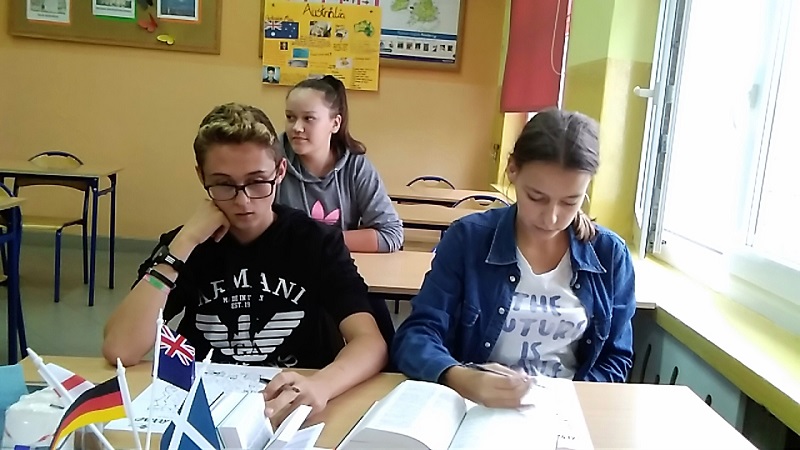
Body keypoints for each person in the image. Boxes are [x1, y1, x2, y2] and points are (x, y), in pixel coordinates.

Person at [102, 103, 387, 419]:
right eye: (224, 184)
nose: (243, 200)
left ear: (280, 172)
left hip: (290, 404)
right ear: (201, 177)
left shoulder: (316, 242)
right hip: (205, 404)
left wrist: (322, 384)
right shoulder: (185, 246)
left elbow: (369, 342)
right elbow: (120, 348)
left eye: (257, 181)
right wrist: (183, 243)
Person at [391, 109, 636, 408]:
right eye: (536, 197)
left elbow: (616, 357)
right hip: (475, 406)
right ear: (512, 169)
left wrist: (570, 404)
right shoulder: (468, 239)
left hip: (564, 412)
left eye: (570, 201)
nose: (551, 217)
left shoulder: (610, 254)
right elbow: (416, 335)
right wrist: (461, 377)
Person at [279, 75, 403, 254]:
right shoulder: (271, 160)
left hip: (336, 264)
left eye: (309, 118)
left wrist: (318, 240)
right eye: (290, 117)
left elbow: (391, 234)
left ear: (335, 123)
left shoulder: (356, 168)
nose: (297, 127)